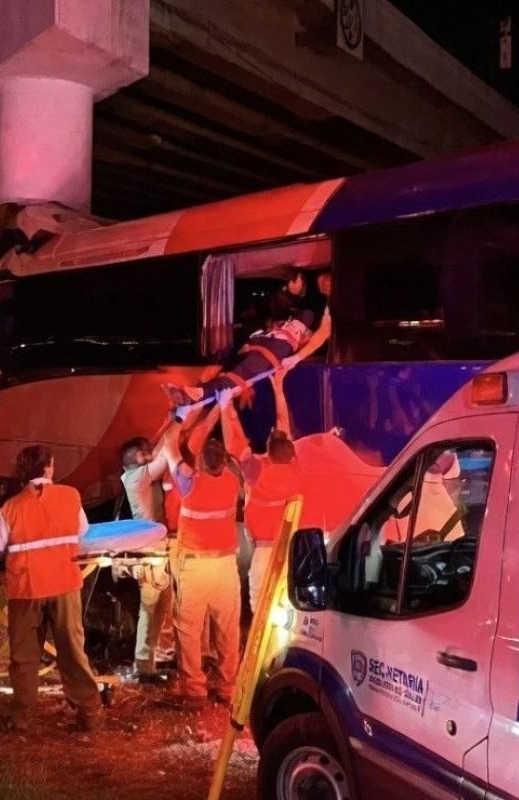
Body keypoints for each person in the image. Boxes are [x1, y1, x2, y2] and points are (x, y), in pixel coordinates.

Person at [0, 445, 103, 733]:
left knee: (24, 656)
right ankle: (90, 711)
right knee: (72, 651)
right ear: (49, 468)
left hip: (27, 589)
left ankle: (22, 717)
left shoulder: (11, 508)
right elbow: (81, 533)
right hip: (65, 586)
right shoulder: (71, 496)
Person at [164, 269, 331, 409]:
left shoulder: (321, 310)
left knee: (240, 375)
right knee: (229, 364)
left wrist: (296, 358)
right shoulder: (298, 303)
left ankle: (196, 394)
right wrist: (288, 293)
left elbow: (323, 333)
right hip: (262, 338)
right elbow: (276, 309)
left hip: (277, 345)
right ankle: (196, 393)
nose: (324, 284)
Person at [163, 418, 241, 709]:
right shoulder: (233, 483)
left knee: (188, 629)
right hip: (225, 567)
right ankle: (228, 688)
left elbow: (170, 446)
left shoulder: (188, 483)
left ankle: (195, 690)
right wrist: (224, 406)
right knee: (228, 630)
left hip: (195, 567)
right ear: (223, 462)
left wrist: (179, 417)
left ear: (200, 463)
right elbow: (234, 451)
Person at [219, 377, 301, 612]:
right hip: (288, 551)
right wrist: (279, 387)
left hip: (264, 554)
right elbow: (284, 425)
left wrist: (225, 406)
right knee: (287, 611)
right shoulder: (294, 468)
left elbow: (231, 444)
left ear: (269, 447)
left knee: (261, 612)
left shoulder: (258, 471)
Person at [119, 433, 173, 683]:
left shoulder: (138, 477)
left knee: (159, 610)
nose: (150, 453)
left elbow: (160, 449)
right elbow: (163, 456)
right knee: (150, 610)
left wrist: (172, 421)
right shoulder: (136, 478)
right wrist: (179, 421)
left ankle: (149, 663)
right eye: (145, 452)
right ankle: (143, 666)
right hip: (150, 553)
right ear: (136, 458)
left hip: (156, 551)